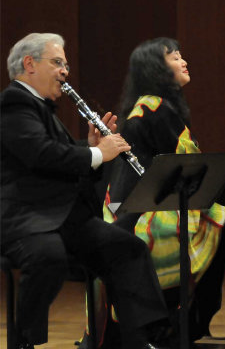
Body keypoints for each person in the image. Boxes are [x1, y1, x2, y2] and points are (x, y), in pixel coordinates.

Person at [100, 37, 225, 344]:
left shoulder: (154, 107)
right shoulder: (154, 109)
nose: (184, 62)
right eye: (175, 58)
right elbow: (187, 168)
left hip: (146, 212)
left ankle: (214, 317)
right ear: (156, 69)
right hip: (139, 221)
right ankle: (222, 318)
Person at [0, 33, 175, 349]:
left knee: (128, 249)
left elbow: (60, 157)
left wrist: (92, 146)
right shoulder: (14, 103)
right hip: (28, 219)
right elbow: (41, 154)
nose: (65, 72)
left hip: (63, 217)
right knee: (48, 257)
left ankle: (138, 339)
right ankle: (23, 341)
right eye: (57, 63)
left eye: (66, 65)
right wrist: (97, 153)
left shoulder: (39, 107)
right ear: (29, 64)